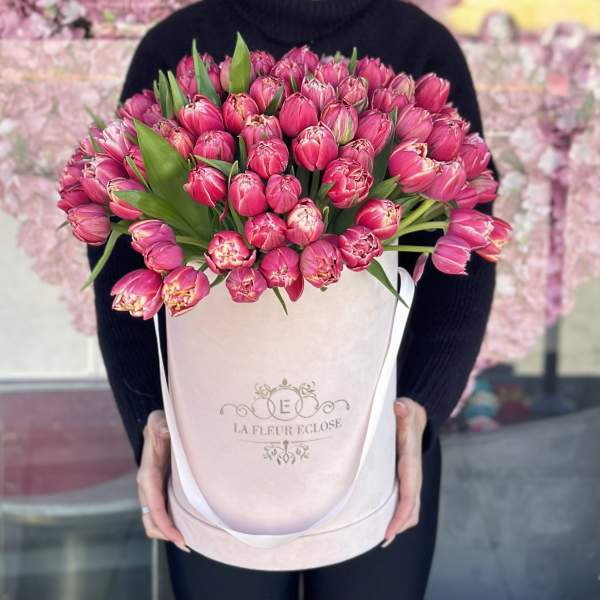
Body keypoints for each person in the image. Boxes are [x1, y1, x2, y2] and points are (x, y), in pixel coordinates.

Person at [87, 0, 498, 598]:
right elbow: (125, 253)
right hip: (209, 449)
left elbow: (465, 248)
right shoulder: (175, 45)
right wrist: (150, 416)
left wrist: (421, 407)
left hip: (382, 439)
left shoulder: (419, 45)